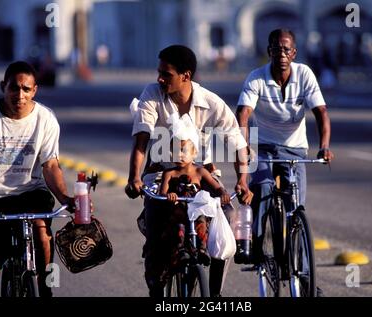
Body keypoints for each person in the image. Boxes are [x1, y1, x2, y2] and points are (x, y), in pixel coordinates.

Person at [125, 44, 252, 297]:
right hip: (161, 174)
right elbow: (141, 141)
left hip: (200, 174)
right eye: (159, 72)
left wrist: (242, 181)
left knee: (225, 217)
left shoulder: (212, 103)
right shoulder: (152, 94)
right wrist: (134, 178)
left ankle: (213, 293)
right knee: (156, 219)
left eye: (167, 74)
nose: (160, 78)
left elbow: (238, 144)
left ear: (186, 76)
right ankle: (157, 285)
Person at [236, 29, 334, 265]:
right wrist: (245, 146)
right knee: (264, 188)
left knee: (296, 210)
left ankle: (302, 274)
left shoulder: (305, 74)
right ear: (269, 51)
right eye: (276, 48)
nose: (281, 53)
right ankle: (257, 246)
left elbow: (321, 112)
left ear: (294, 53)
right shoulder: (256, 77)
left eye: (286, 49)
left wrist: (324, 147)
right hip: (263, 148)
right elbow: (243, 114)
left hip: (295, 149)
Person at [0, 61, 74, 297]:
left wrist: (65, 197)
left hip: (32, 193)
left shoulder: (46, 119)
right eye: (13, 88)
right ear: (3, 87)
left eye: (26, 89)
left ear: (34, 90)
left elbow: (51, 165)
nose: (19, 95)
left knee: (42, 236)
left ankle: (45, 289)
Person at [158, 131, 231, 279]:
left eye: (183, 151)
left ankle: (202, 250)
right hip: (178, 210)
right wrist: (169, 196)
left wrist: (223, 193)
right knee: (179, 227)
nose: (179, 155)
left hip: (197, 210)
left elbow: (216, 186)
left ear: (194, 153)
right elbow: (162, 192)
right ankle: (180, 252)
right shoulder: (169, 173)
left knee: (202, 224)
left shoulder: (200, 171)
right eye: (174, 151)